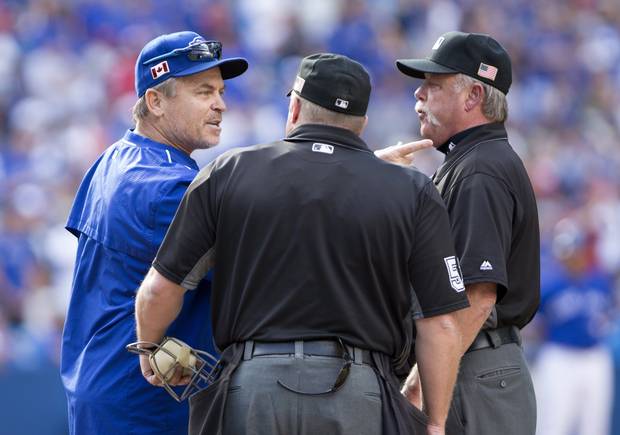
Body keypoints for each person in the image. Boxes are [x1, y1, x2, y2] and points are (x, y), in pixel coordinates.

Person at [134, 53, 470, 435]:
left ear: (294, 107)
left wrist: (149, 346)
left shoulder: (231, 170)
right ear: (361, 123)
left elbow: (159, 289)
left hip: (254, 389)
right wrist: (437, 422)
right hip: (360, 394)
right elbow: (441, 324)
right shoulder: (411, 190)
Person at [60, 31, 248, 435]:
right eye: (202, 91)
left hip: (100, 383)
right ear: (155, 101)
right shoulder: (169, 187)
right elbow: (267, 261)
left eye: (220, 90)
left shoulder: (114, 159)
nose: (220, 104)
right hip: (145, 401)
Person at [394, 31, 540, 434]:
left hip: (471, 368)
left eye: (433, 85)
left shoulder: (481, 169)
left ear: (473, 96)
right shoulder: (470, 160)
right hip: (469, 365)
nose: (418, 95)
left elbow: (477, 297)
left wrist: (421, 387)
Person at [534, 218, 614, 435]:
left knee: (595, 425)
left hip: (594, 355)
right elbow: (533, 325)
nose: (569, 256)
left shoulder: (599, 280)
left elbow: (606, 315)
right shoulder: (549, 282)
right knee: (554, 423)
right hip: (560, 356)